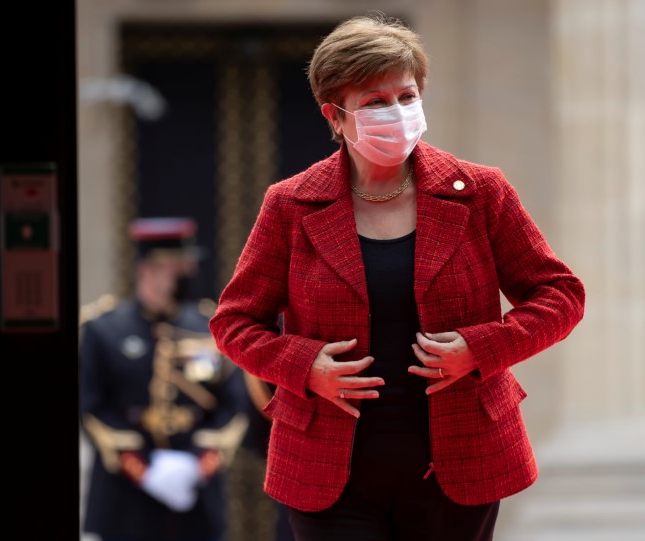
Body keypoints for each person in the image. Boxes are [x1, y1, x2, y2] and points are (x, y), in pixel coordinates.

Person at [208, 12, 585, 541]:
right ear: (334, 117)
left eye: (406, 97)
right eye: (375, 102)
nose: (397, 112)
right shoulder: (291, 203)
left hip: (460, 462)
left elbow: (560, 295)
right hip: (329, 472)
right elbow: (235, 322)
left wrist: (482, 348)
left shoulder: (479, 192)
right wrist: (304, 364)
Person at [80, 217, 246, 541]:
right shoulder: (104, 330)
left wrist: (198, 465)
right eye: (175, 267)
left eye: (185, 266)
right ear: (148, 269)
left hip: (195, 497)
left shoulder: (209, 327)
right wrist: (144, 472)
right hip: (124, 499)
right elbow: (91, 406)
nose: (184, 275)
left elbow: (233, 404)